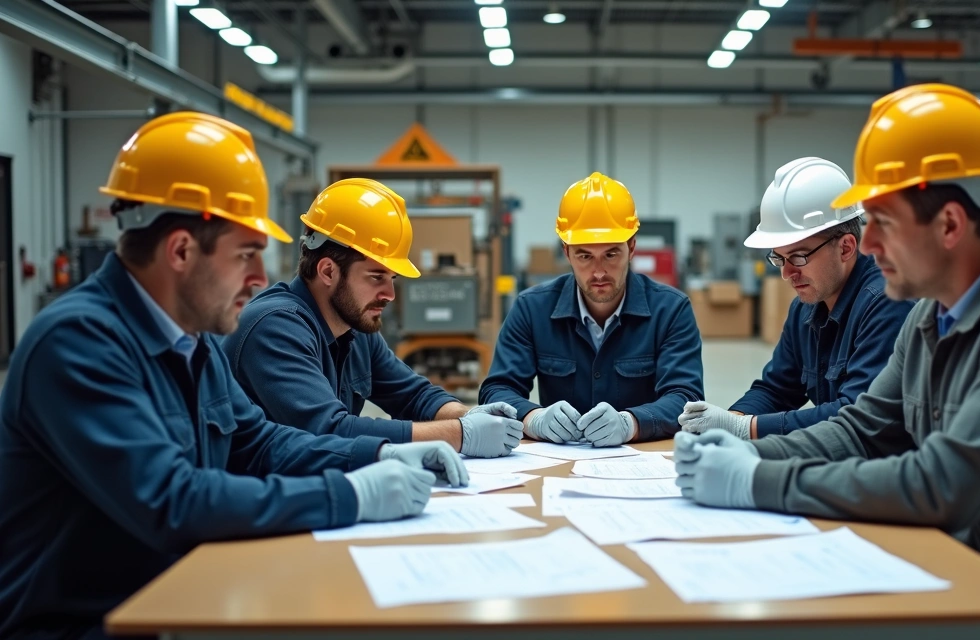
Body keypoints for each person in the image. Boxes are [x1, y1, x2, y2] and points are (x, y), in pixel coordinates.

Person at [674, 84, 980, 640]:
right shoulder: (933, 315)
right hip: (970, 569)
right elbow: (861, 430)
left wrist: (757, 481)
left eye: (881, 220)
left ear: (950, 224)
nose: (870, 242)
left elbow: (944, 486)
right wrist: (742, 448)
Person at [0, 113, 467, 639]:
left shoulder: (191, 339)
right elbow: (173, 501)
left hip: (181, 594)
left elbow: (258, 443)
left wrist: (378, 455)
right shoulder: (79, 343)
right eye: (246, 254)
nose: (261, 279)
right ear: (180, 250)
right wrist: (351, 495)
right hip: (89, 624)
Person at [221, 178, 522, 459]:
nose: (390, 294)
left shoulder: (354, 327)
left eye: (391, 278)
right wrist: (460, 434)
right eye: (376, 277)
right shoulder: (274, 327)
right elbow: (329, 431)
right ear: (328, 271)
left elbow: (413, 395)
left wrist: (467, 416)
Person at [677, 157, 913, 439]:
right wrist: (729, 420)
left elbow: (856, 416)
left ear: (846, 248)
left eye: (800, 256)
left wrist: (745, 429)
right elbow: (777, 389)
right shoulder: (806, 309)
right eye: (779, 257)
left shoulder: (887, 303)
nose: (788, 273)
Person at [479, 172, 703, 446]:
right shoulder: (531, 309)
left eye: (611, 254)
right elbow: (497, 390)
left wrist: (630, 423)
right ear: (567, 252)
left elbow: (686, 398)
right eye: (585, 256)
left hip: (642, 462)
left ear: (631, 248)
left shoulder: (671, 310)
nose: (598, 272)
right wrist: (534, 418)